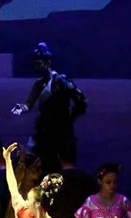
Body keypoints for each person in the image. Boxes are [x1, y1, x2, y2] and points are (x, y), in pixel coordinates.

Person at [10, 42, 87, 174]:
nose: (36, 67)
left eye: (39, 63)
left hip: (61, 134)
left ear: (48, 62)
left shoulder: (61, 81)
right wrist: (22, 107)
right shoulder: (39, 84)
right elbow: (29, 103)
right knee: (42, 169)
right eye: (35, 64)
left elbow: (81, 102)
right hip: (44, 134)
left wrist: (69, 120)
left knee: (62, 170)